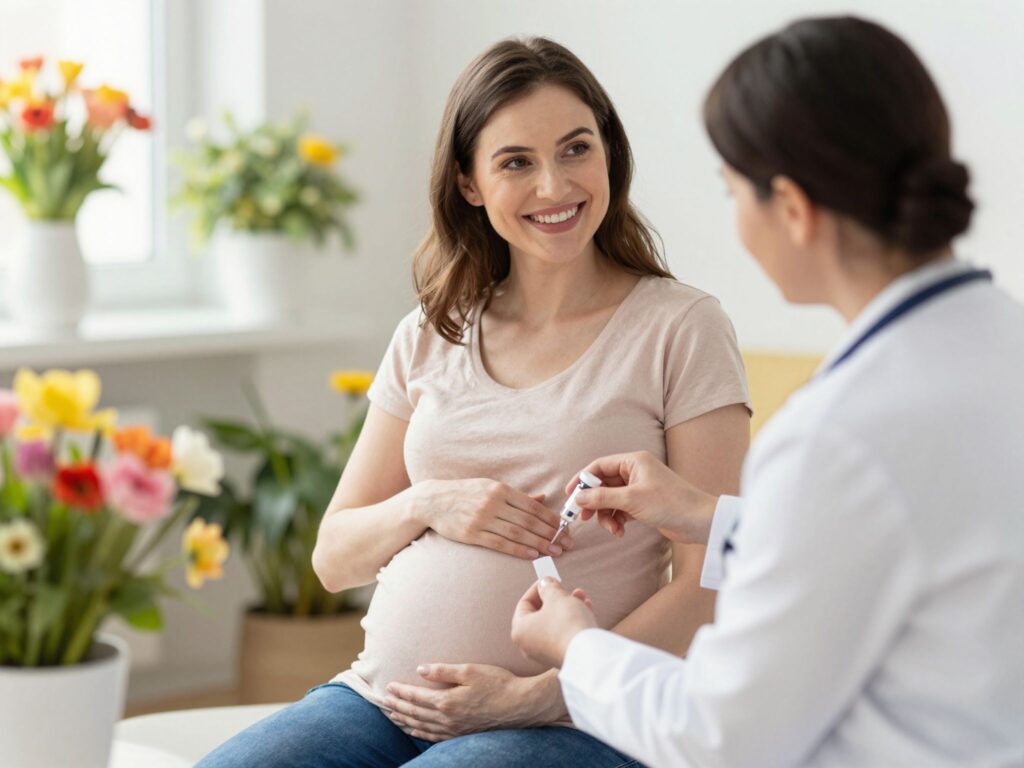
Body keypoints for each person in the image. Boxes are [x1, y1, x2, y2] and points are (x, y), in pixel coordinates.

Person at [197, 37, 751, 767]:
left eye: (576, 149)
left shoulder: (681, 328)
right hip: (379, 702)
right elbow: (335, 559)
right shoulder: (431, 331)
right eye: (516, 161)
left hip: (573, 719)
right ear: (469, 183)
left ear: (608, 157)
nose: (554, 186)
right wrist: (429, 503)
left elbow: (715, 586)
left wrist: (550, 691)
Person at [511, 16, 1024, 768]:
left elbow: (721, 739)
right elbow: (905, 539)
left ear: (790, 206)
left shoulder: (835, 435)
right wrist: (709, 518)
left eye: (731, 191)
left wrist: (576, 648)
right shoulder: (997, 346)